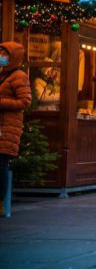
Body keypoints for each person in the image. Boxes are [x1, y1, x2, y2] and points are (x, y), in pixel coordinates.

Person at [0, 42, 32, 216]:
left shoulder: (19, 76)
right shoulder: (2, 74)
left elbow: (25, 102)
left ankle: (0, 202)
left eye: (5, 54)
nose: (1, 56)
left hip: (7, 128)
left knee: (1, 164)